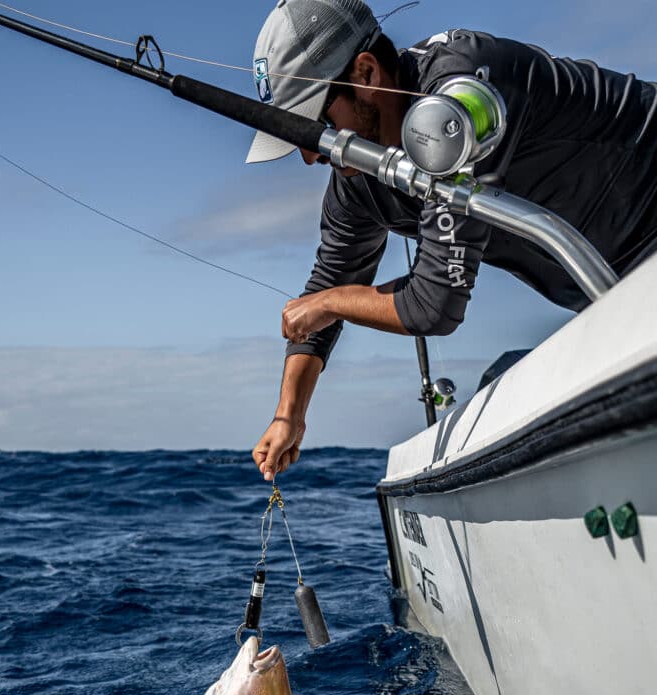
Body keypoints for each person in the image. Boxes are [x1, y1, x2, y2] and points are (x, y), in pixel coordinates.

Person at [247, 0, 657, 481]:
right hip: (621, 299)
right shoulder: (357, 176)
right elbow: (326, 285)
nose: (312, 155)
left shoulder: (462, 98)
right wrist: (288, 414)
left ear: (366, 72)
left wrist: (334, 302)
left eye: (316, 126)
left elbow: (433, 306)